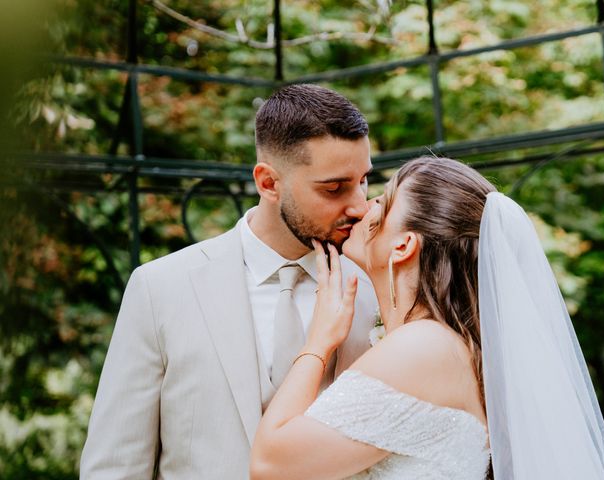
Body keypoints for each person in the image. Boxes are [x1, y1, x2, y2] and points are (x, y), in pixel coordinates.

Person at [250, 156, 604, 479]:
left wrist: (319, 341)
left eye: (383, 200)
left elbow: (270, 465)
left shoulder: (421, 348)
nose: (364, 207)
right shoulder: (453, 347)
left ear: (404, 245)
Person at [80, 84, 379, 479]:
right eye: (334, 188)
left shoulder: (379, 289)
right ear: (268, 183)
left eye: (363, 181)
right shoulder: (161, 289)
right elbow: (114, 467)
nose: (359, 204)